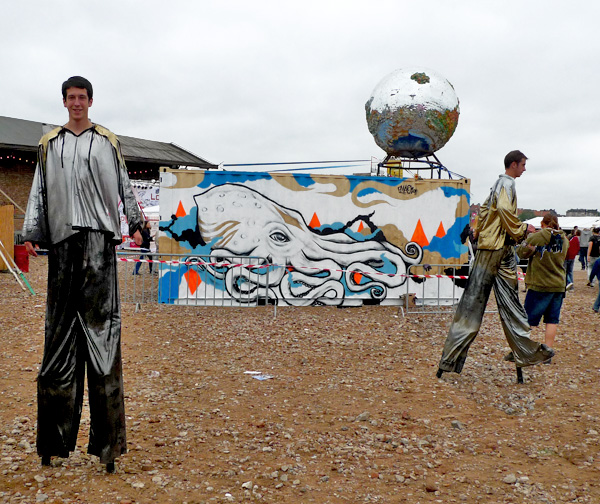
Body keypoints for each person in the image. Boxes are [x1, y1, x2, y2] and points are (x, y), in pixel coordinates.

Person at [22, 76, 143, 473]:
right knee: (57, 339)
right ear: (64, 102)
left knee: (103, 338)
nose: (77, 103)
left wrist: (137, 223)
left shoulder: (107, 141)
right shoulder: (49, 143)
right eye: (71, 98)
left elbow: (124, 184)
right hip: (62, 243)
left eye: (82, 97)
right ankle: (52, 442)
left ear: (90, 101)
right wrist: (33, 231)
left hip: (98, 244)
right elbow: (39, 189)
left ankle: (108, 446)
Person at [436, 150, 554, 377]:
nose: (525, 169)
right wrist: (522, 228)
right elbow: (502, 210)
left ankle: (523, 351)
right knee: (474, 304)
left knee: (508, 304)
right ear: (513, 164)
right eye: (523, 165)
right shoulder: (505, 183)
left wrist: (479, 230)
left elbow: (484, 211)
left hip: (501, 248)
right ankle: (450, 359)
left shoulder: (501, 185)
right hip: (493, 249)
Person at [517, 213, 568, 360]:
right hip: (558, 284)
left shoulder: (536, 237)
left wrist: (530, 247)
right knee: (552, 320)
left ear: (542, 223)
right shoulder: (564, 239)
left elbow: (521, 253)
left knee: (528, 320)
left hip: (539, 284)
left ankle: (523, 349)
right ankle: (548, 353)